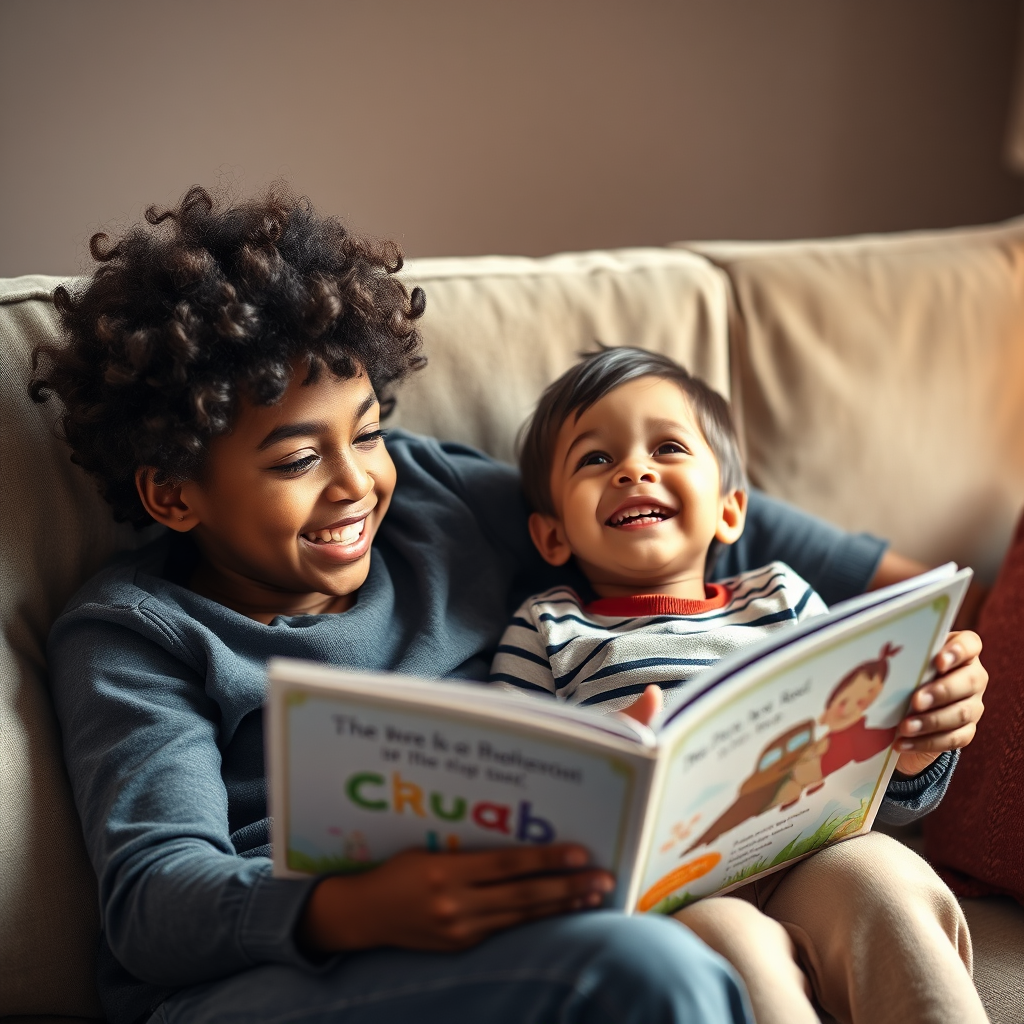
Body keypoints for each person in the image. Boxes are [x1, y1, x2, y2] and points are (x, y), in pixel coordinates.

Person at [31, 187, 985, 1024]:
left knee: (877, 884)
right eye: (297, 460)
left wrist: (917, 652)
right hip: (276, 976)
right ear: (174, 495)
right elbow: (155, 903)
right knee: (661, 965)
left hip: (535, 913)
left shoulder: (436, 498)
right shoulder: (136, 634)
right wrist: (357, 906)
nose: (357, 485)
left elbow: (672, 518)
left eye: (369, 433)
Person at [490, 347, 988, 1024]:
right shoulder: (546, 628)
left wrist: (919, 745)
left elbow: (875, 769)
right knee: (733, 947)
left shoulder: (782, 595)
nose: (634, 470)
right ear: (551, 535)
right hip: (671, 892)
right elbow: (510, 784)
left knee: (888, 881)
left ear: (730, 510)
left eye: (667, 447)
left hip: (813, 850)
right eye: (595, 459)